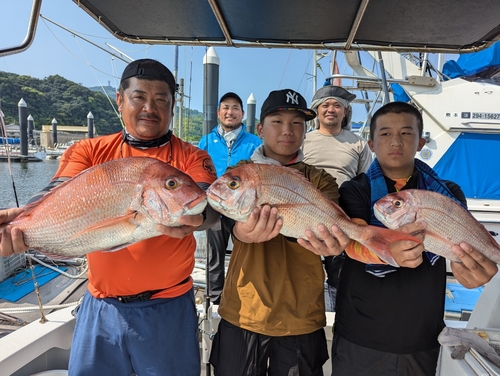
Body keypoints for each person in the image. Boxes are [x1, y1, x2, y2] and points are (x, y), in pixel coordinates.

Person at [0, 58, 218, 376]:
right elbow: (56, 198)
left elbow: (205, 201)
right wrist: (19, 229)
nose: (150, 107)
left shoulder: (192, 156)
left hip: (168, 308)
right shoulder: (88, 151)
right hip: (100, 307)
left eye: (162, 100)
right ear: (120, 99)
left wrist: (198, 219)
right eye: (139, 97)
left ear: (173, 106)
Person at [330, 101, 498, 375]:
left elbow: (459, 254)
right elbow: (353, 243)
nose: (395, 141)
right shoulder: (354, 189)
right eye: (385, 134)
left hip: (422, 338)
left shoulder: (448, 193)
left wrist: (472, 270)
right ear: (371, 143)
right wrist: (389, 252)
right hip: (360, 335)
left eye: (406, 133)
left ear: (420, 142)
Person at [209, 89, 351, 376]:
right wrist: (241, 232)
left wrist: (335, 246)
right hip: (243, 312)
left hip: (300, 318)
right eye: (277, 121)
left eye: (297, 123)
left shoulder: (320, 180)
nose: (288, 130)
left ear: (306, 131)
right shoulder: (241, 173)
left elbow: (332, 229)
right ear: (260, 129)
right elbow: (222, 223)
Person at [302, 85, 373, 312]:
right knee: (304, 269)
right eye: (325, 105)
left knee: (339, 274)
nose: (330, 109)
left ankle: (338, 316)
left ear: (345, 112)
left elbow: (365, 181)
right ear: (317, 111)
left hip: (343, 215)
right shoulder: (303, 141)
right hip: (305, 215)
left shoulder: (358, 144)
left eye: (336, 105)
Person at [198, 92, 261, 304]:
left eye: (235, 108)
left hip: (243, 209)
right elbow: (198, 173)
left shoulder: (254, 142)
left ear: (242, 113)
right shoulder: (206, 141)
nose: (230, 112)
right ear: (218, 112)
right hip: (215, 207)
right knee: (214, 257)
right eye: (225, 107)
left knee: (247, 255)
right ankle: (214, 300)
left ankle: (243, 300)